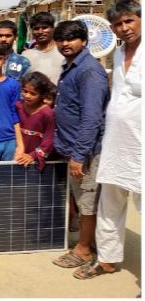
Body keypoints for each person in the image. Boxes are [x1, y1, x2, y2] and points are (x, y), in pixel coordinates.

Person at [73, 0, 141, 279]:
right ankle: (108, 259)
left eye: (129, 21)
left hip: (141, 147)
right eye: (118, 24)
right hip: (115, 144)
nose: (124, 28)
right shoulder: (118, 54)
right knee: (108, 205)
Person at [51, 20, 109, 270]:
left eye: (71, 38)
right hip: (73, 146)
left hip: (85, 150)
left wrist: (78, 155)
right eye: (61, 39)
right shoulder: (72, 67)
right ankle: (89, 243)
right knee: (82, 198)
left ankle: (84, 250)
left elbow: (91, 117)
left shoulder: (89, 71)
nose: (65, 44)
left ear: (84, 41)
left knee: (87, 200)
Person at [14, 72, 56, 170]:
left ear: (42, 95)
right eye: (25, 91)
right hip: (19, 156)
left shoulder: (47, 113)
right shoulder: (18, 106)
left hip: (35, 160)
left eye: (33, 93)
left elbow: (49, 139)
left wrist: (32, 155)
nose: (27, 96)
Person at [22, 12, 64, 85]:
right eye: (36, 29)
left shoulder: (63, 51)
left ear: (53, 29)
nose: (40, 32)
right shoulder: (26, 56)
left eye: (44, 28)